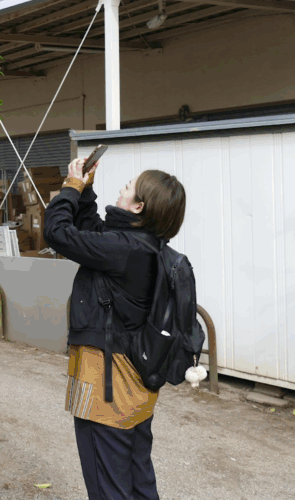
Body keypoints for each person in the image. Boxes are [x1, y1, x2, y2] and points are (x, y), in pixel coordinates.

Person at [44, 157, 186, 500]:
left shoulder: (123, 248)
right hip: (135, 382)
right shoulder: (143, 245)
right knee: (137, 479)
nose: (121, 189)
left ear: (138, 205)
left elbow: (57, 233)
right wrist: (87, 190)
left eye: (127, 187)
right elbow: (94, 233)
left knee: (108, 486)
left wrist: (70, 188)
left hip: (106, 385)